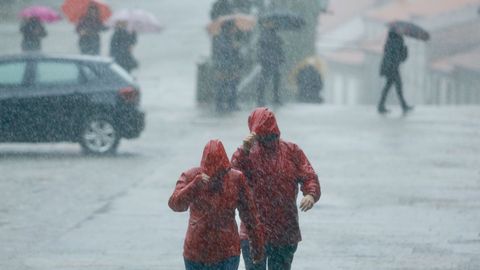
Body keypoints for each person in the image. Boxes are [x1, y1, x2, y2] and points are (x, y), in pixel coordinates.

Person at [231, 107, 321, 270]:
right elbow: (232, 178)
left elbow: (309, 176)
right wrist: (242, 150)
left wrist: (311, 194)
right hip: (264, 231)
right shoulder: (248, 153)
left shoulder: (291, 151)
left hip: (278, 232)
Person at [169, 139, 265, 270]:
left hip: (224, 253)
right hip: (198, 253)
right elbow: (175, 204)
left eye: (219, 174)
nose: (215, 178)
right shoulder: (191, 177)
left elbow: (250, 215)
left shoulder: (236, 179)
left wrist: (257, 246)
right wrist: (194, 186)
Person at [378, 30, 413, 114]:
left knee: (390, 86)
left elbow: (400, 58)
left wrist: (404, 49)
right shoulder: (395, 42)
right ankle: (403, 106)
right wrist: (404, 49)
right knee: (397, 86)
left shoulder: (391, 41)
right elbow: (399, 57)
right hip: (392, 68)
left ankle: (381, 105)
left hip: (390, 67)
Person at [212, 21, 242, 112]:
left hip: (229, 66)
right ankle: (220, 105)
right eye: (233, 28)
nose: (235, 30)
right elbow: (223, 51)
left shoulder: (229, 38)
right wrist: (233, 47)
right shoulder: (221, 38)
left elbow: (233, 54)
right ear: (229, 28)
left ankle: (231, 104)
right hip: (223, 66)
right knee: (222, 86)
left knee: (232, 85)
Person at [256, 24, 285, 106]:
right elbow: (273, 47)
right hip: (269, 61)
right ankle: (262, 98)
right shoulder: (266, 36)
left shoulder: (268, 36)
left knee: (274, 79)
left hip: (271, 60)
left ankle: (274, 97)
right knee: (266, 79)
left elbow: (279, 49)